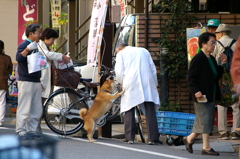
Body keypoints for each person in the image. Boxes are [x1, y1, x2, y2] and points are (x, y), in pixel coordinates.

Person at [185, 32, 226, 156]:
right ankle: (206, 147)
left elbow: (217, 75)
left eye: (215, 43)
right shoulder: (198, 58)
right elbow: (190, 77)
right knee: (206, 119)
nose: (214, 45)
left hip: (210, 93)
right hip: (201, 94)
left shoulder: (211, 58)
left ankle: (189, 139)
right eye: (212, 42)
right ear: (203, 44)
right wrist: (195, 90)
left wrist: (223, 63)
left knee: (204, 120)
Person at [114, 43, 161, 145]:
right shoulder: (144, 51)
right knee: (150, 109)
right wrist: (154, 83)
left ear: (120, 48)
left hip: (130, 81)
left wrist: (121, 83)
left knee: (129, 108)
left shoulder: (121, 54)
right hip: (147, 81)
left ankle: (129, 138)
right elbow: (153, 69)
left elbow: (118, 71)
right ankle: (153, 138)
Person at [31, 28, 70, 133]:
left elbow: (52, 59)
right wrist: (62, 56)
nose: (53, 41)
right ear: (46, 37)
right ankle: (34, 129)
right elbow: (48, 56)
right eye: (52, 38)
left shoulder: (47, 48)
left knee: (40, 106)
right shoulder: (40, 47)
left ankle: (36, 129)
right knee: (38, 106)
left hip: (46, 81)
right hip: (41, 81)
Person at [212, 24, 240, 140]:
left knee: (221, 103)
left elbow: (213, 58)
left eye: (217, 33)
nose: (217, 36)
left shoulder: (217, 44)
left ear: (221, 33)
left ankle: (223, 132)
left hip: (221, 77)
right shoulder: (236, 43)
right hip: (234, 77)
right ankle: (236, 131)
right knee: (236, 104)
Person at [16, 24, 43, 137]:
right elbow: (19, 58)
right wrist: (27, 49)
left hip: (36, 80)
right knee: (25, 106)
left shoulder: (37, 45)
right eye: (38, 32)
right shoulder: (24, 44)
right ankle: (21, 130)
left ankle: (32, 130)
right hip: (26, 80)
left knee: (36, 108)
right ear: (31, 33)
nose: (40, 35)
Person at [0, 40, 13, 127]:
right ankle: (0, 120)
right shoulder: (7, 58)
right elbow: (10, 71)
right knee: (2, 102)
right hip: (3, 82)